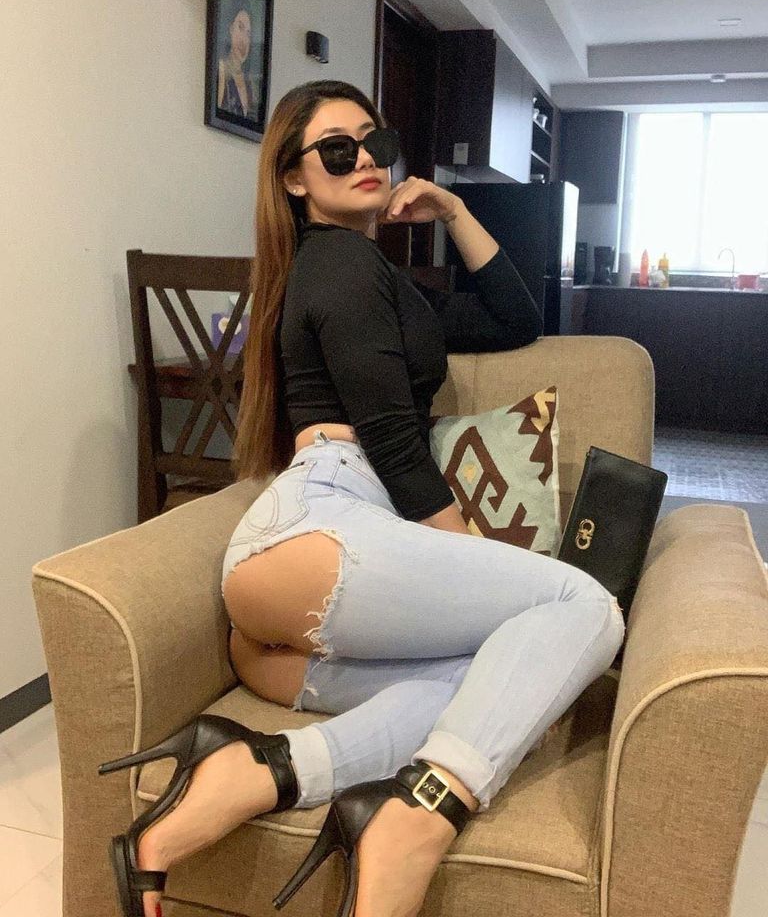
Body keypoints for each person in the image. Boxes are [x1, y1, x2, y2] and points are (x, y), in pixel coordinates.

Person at [99, 80, 625, 917]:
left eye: (375, 143)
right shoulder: (339, 262)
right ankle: (417, 818)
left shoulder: (379, 279)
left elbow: (517, 316)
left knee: (486, 679)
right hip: (328, 515)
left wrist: (453, 208)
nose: (364, 161)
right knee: (586, 606)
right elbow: (392, 442)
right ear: (293, 179)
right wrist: (469, 555)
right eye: (336, 150)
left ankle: (259, 770)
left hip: (311, 556)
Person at [217, 0, 259, 119]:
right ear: (230, 29)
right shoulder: (222, 71)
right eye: (240, 28)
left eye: (248, 34)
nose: (244, 40)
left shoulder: (250, 82)